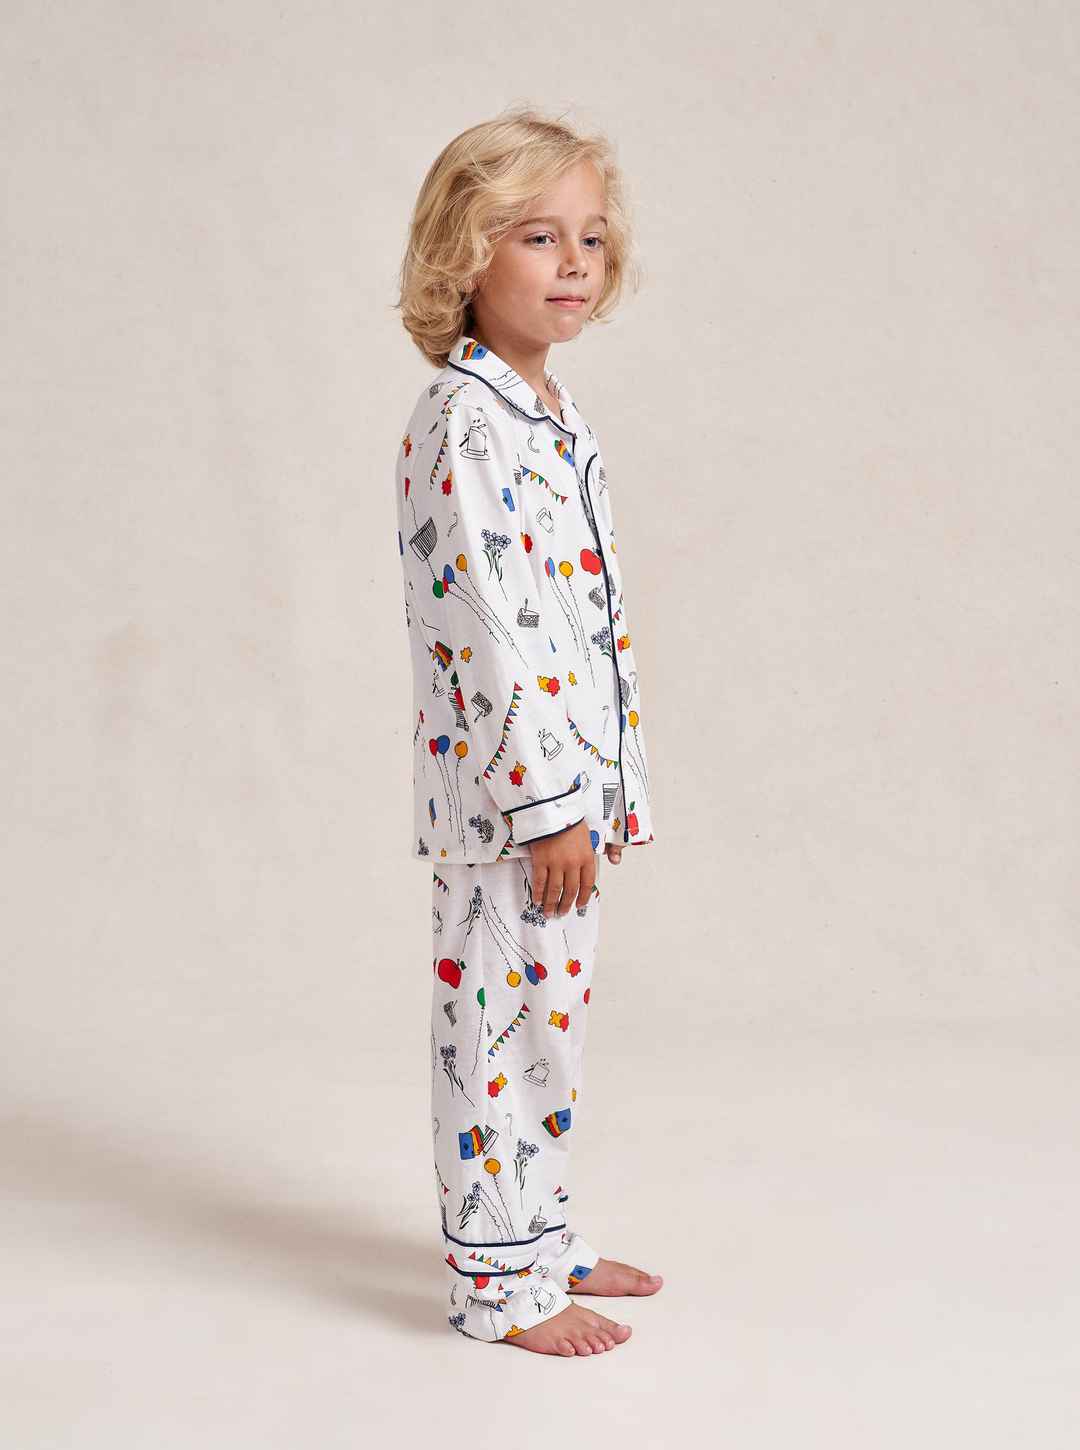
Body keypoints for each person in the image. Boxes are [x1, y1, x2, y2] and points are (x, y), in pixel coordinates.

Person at [391, 106, 661, 1357]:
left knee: (547, 1026)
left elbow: (583, 617)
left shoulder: (551, 415)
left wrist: (607, 789)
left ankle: (539, 1235)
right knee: (497, 1029)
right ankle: (498, 1283)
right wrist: (550, 806)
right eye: (539, 236)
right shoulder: (463, 418)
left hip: (567, 797)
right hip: (512, 807)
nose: (574, 263)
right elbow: (489, 629)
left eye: (591, 238)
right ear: (466, 252)